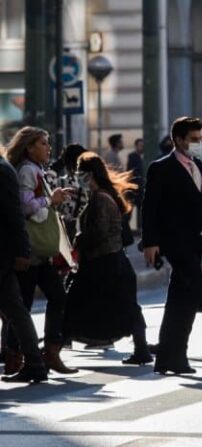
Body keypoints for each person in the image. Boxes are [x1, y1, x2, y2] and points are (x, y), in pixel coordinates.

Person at [142, 116, 202, 375]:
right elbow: (150, 207)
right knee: (188, 295)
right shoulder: (161, 168)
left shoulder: (197, 166)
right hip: (175, 242)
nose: (198, 144)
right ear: (177, 140)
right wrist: (150, 242)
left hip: (195, 241)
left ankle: (170, 357)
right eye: (193, 139)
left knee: (181, 297)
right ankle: (176, 355)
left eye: (200, 139)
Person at [64, 152, 153, 366]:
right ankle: (141, 349)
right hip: (110, 261)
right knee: (125, 306)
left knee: (74, 301)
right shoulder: (101, 195)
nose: (78, 177)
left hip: (104, 261)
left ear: (90, 174)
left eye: (80, 173)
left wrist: (78, 239)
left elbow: (100, 232)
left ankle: (54, 345)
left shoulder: (101, 198)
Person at [3, 126, 77, 375]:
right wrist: (50, 200)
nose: (48, 148)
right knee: (20, 306)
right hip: (30, 251)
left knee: (44, 300)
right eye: (43, 143)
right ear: (29, 147)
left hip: (39, 252)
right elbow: (23, 207)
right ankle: (19, 357)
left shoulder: (36, 170)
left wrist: (54, 199)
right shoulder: (26, 171)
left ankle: (47, 352)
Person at [0, 151, 48, 383]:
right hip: (5, 252)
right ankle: (35, 363)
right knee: (16, 310)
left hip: (2, 252)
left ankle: (34, 362)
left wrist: (22, 250)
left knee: (16, 310)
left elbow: (14, 214)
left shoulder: (3, 169)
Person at [127, 138, 145, 232]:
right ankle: (126, 227)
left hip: (138, 186)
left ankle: (139, 227)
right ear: (136, 146)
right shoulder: (133, 156)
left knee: (139, 207)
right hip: (134, 187)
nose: (142, 147)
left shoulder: (139, 157)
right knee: (131, 207)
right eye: (140, 145)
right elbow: (131, 171)